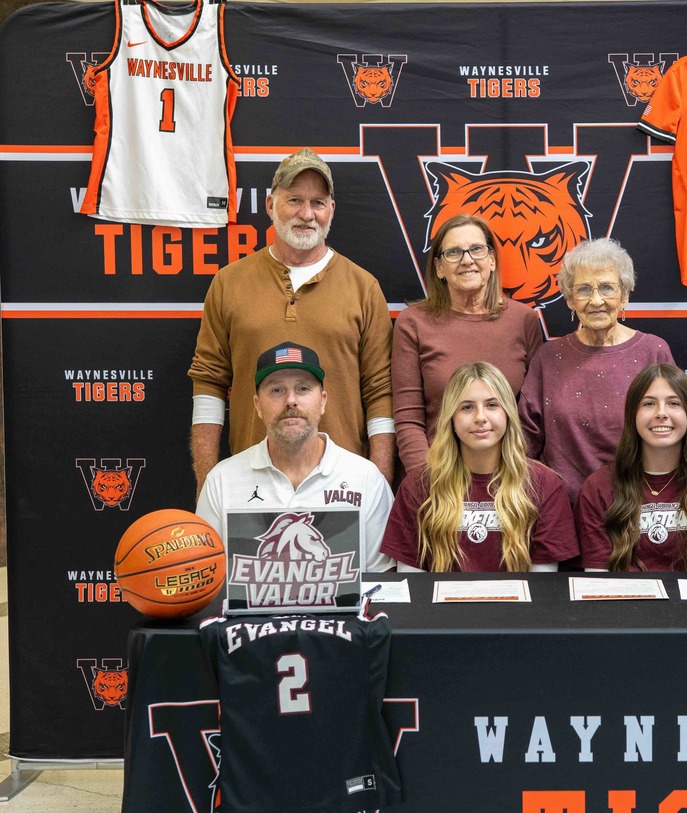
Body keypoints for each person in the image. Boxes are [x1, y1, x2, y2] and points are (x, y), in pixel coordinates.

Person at [189, 148, 395, 496]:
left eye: (318, 202)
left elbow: (380, 392)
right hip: (249, 484)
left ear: (331, 210)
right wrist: (208, 482)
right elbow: (209, 383)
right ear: (270, 206)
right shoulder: (229, 283)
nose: (306, 213)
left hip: (341, 488)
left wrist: (380, 484)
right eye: (294, 199)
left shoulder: (363, 287)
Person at [196, 341, 393, 573]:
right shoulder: (222, 480)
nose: (291, 400)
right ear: (258, 406)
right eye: (276, 390)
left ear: (323, 401)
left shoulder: (365, 478)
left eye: (303, 388)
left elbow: (381, 581)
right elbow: (205, 577)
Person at [518, 238, 674, 504]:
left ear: (624, 295)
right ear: (569, 300)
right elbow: (524, 439)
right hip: (561, 508)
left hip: (636, 505)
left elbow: (672, 430)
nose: (596, 300)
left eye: (606, 288)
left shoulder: (654, 352)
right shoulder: (548, 357)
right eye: (584, 290)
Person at [382, 362, 577, 572]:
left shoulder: (544, 484)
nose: (481, 418)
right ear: (451, 419)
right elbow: (412, 585)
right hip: (438, 605)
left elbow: (542, 587)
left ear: (508, 413)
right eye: (467, 407)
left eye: (492, 405)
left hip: (518, 605)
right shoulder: (419, 485)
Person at [391, 215, 544, 473]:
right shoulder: (412, 323)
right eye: (454, 252)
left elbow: (533, 417)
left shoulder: (524, 320)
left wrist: (514, 474)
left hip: (509, 478)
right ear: (439, 268)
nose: (467, 260)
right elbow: (408, 419)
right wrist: (425, 481)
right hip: (439, 476)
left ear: (492, 260)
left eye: (477, 249)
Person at [575, 364, 687, 572]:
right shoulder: (598, 487)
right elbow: (598, 586)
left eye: (673, 403)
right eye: (648, 404)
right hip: (622, 604)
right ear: (632, 415)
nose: (661, 413)